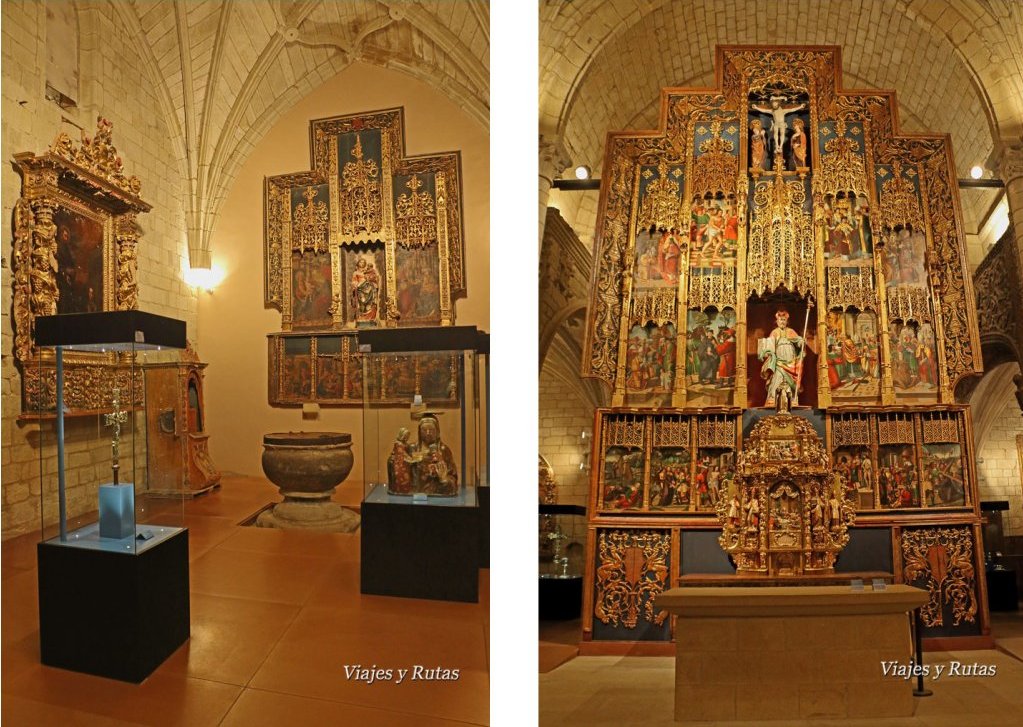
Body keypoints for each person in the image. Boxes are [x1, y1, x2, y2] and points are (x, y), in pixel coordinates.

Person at [759, 308, 805, 407]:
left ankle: (792, 400)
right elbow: (769, 347)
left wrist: (801, 342)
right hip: (779, 362)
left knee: (790, 383)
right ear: (777, 321)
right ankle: (773, 399)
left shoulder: (791, 331)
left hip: (791, 362)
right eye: (780, 320)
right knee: (777, 379)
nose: (782, 322)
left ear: (787, 321)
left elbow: (798, 340)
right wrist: (766, 352)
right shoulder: (774, 332)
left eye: (784, 320)